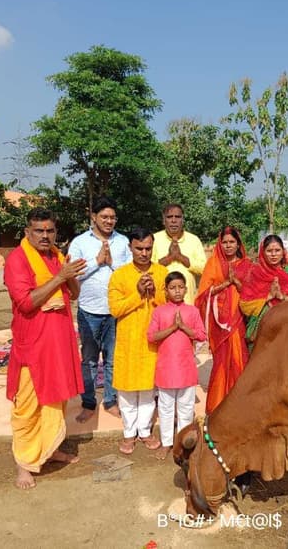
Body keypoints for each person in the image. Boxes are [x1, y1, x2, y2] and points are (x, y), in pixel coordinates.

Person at [4, 208, 87, 489]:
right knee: (28, 405)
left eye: (50, 230)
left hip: (58, 342)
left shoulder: (56, 256)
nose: (45, 235)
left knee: (56, 399)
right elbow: (26, 302)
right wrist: (61, 276)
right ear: (27, 232)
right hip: (33, 344)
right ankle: (24, 464)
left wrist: (68, 274)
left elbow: (74, 294)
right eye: (39, 230)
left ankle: (51, 450)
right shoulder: (17, 260)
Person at [68, 196, 131, 422]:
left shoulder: (123, 241)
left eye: (113, 217)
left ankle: (111, 401)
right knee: (89, 360)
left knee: (113, 360)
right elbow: (72, 273)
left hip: (115, 311)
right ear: (93, 217)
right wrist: (97, 261)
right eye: (104, 217)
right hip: (89, 312)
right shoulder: (79, 243)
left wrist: (111, 262)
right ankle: (88, 402)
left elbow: (130, 273)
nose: (109, 221)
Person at [108, 227, 168, 454]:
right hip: (129, 341)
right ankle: (128, 433)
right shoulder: (120, 275)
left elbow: (169, 306)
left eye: (148, 248)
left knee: (148, 391)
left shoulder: (162, 273)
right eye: (139, 248)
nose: (144, 253)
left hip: (152, 342)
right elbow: (115, 309)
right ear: (130, 248)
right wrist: (138, 293)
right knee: (126, 392)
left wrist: (155, 294)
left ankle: (144, 431)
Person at [148, 272, 207, 460]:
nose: (177, 291)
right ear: (165, 291)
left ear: (186, 289)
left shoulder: (192, 311)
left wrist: (183, 327)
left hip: (186, 368)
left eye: (180, 287)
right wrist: (172, 328)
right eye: (173, 288)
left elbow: (202, 335)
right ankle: (167, 443)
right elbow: (151, 336)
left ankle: (183, 443)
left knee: (186, 408)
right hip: (166, 369)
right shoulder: (159, 311)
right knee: (165, 408)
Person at [196, 227, 254, 413]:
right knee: (221, 361)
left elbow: (253, 292)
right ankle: (217, 406)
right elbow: (203, 294)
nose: (228, 245)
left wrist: (237, 283)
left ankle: (240, 406)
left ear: (238, 244)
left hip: (240, 319)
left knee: (240, 358)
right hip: (219, 323)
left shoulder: (247, 264)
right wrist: (226, 283)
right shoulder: (213, 263)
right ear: (220, 244)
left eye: (232, 242)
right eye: (225, 242)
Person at [240, 234, 288, 345]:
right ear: (263, 252)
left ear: (283, 251)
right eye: (269, 251)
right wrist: (270, 296)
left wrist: (282, 297)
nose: (273, 254)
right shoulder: (255, 273)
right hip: (261, 325)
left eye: (277, 250)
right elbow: (245, 305)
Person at [152, 203, 207, 304]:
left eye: (177, 217)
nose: (173, 220)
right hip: (161, 303)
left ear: (182, 220)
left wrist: (181, 257)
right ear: (163, 221)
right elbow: (147, 269)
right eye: (169, 217)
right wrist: (169, 257)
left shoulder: (194, 240)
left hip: (188, 302)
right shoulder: (154, 239)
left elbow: (204, 268)